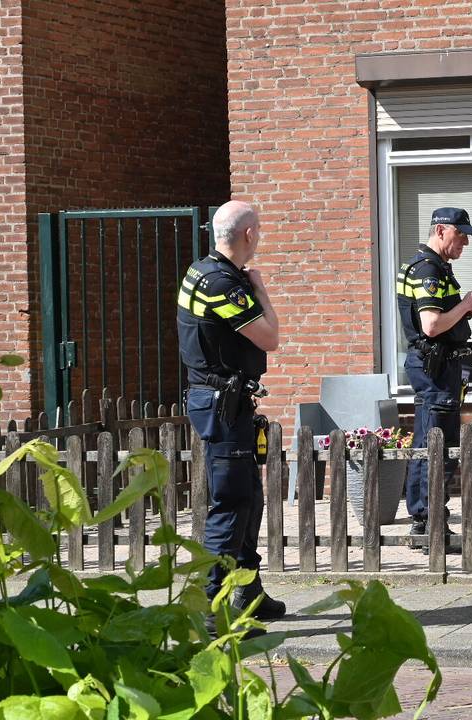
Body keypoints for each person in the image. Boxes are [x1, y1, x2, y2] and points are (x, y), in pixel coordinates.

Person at [176, 200, 285, 631]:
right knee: (231, 502)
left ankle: (248, 590)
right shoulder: (222, 283)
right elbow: (270, 337)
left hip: (225, 401)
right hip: (222, 404)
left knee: (248, 498)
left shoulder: (201, 270)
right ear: (249, 235)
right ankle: (208, 606)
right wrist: (260, 290)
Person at [397, 207, 472, 537]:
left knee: (428, 440)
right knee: (436, 443)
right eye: (460, 234)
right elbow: (431, 325)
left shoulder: (435, 267)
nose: (465, 241)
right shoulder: (428, 270)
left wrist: (466, 313)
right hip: (433, 366)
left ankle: (426, 518)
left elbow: (442, 321)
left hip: (437, 364)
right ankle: (427, 520)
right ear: (440, 231)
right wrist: (463, 306)